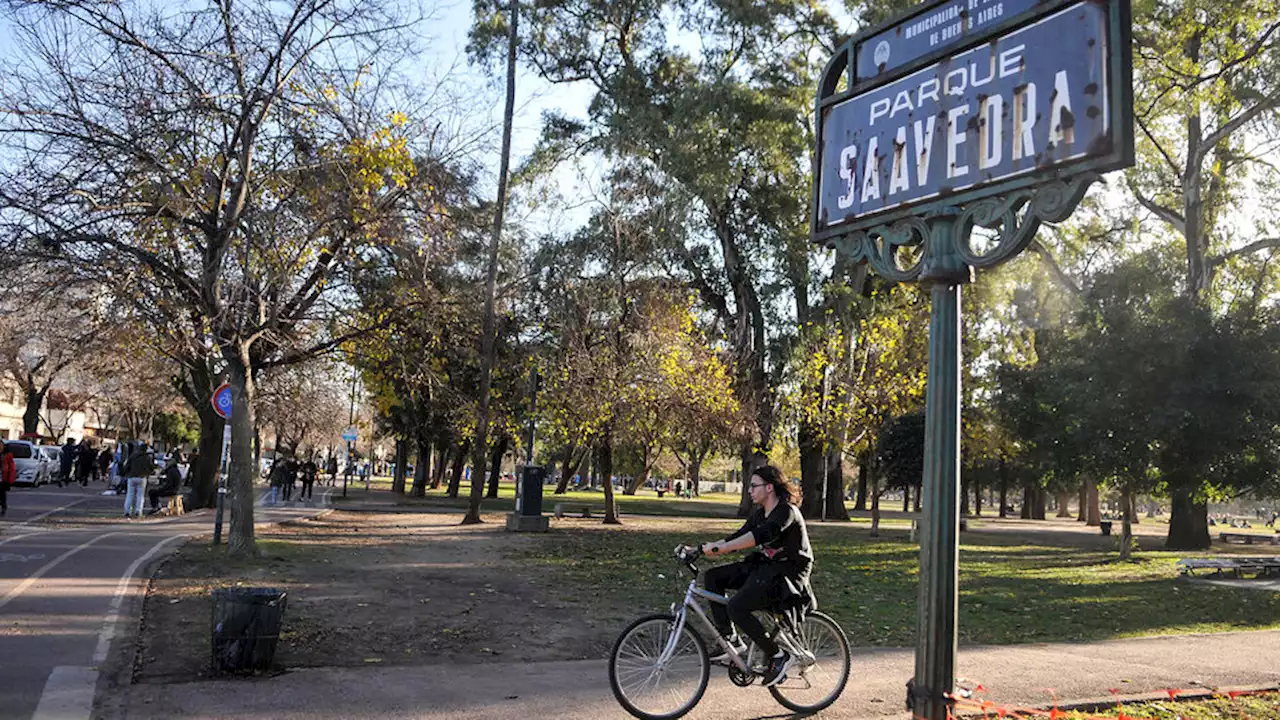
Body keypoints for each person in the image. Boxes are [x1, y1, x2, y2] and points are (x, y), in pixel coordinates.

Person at [687, 465, 814, 688]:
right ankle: (731, 641)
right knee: (714, 577)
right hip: (767, 567)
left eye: (754, 486)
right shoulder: (759, 515)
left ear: (769, 487)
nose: (750, 491)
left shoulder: (786, 512)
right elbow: (738, 536)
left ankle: (777, 656)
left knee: (736, 606)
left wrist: (721, 549)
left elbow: (758, 536)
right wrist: (701, 548)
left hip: (789, 573)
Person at [122, 441, 155, 519]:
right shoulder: (147, 457)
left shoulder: (133, 456)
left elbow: (127, 466)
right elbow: (151, 467)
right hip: (142, 477)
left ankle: (127, 511)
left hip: (132, 476)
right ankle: (138, 511)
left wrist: (126, 473)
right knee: (140, 495)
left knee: (130, 494)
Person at [1, 442, 16, 516]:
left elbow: (12, 467)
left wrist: (10, 479)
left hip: (3, 477)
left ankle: (3, 507)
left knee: (2, 493)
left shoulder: (8, 455)